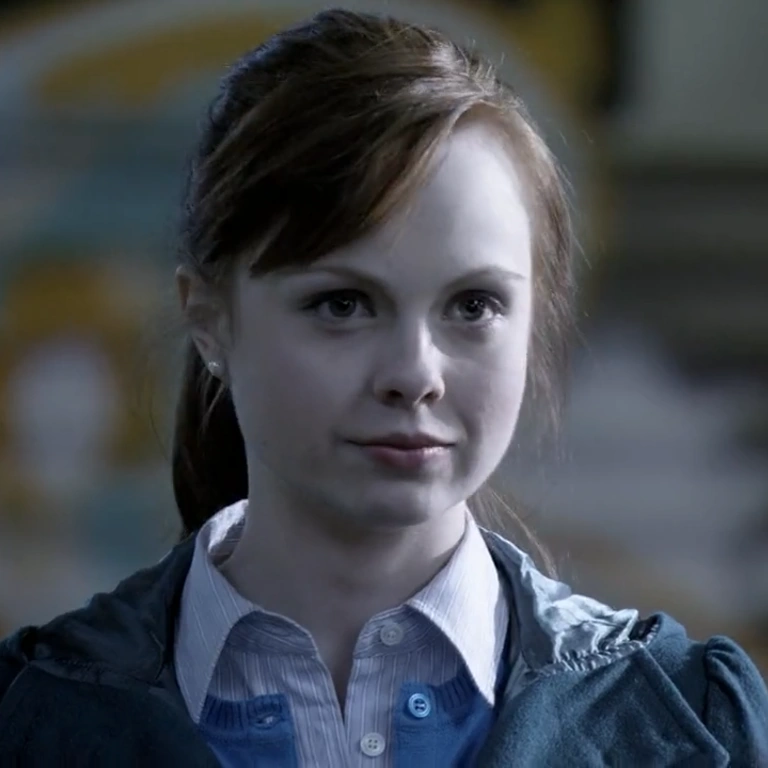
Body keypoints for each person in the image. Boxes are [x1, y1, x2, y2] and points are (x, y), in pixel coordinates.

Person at [1, 9, 766, 767]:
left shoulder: (684, 727)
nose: (414, 374)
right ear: (208, 319)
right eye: (343, 304)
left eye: (474, 306)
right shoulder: (31, 722)